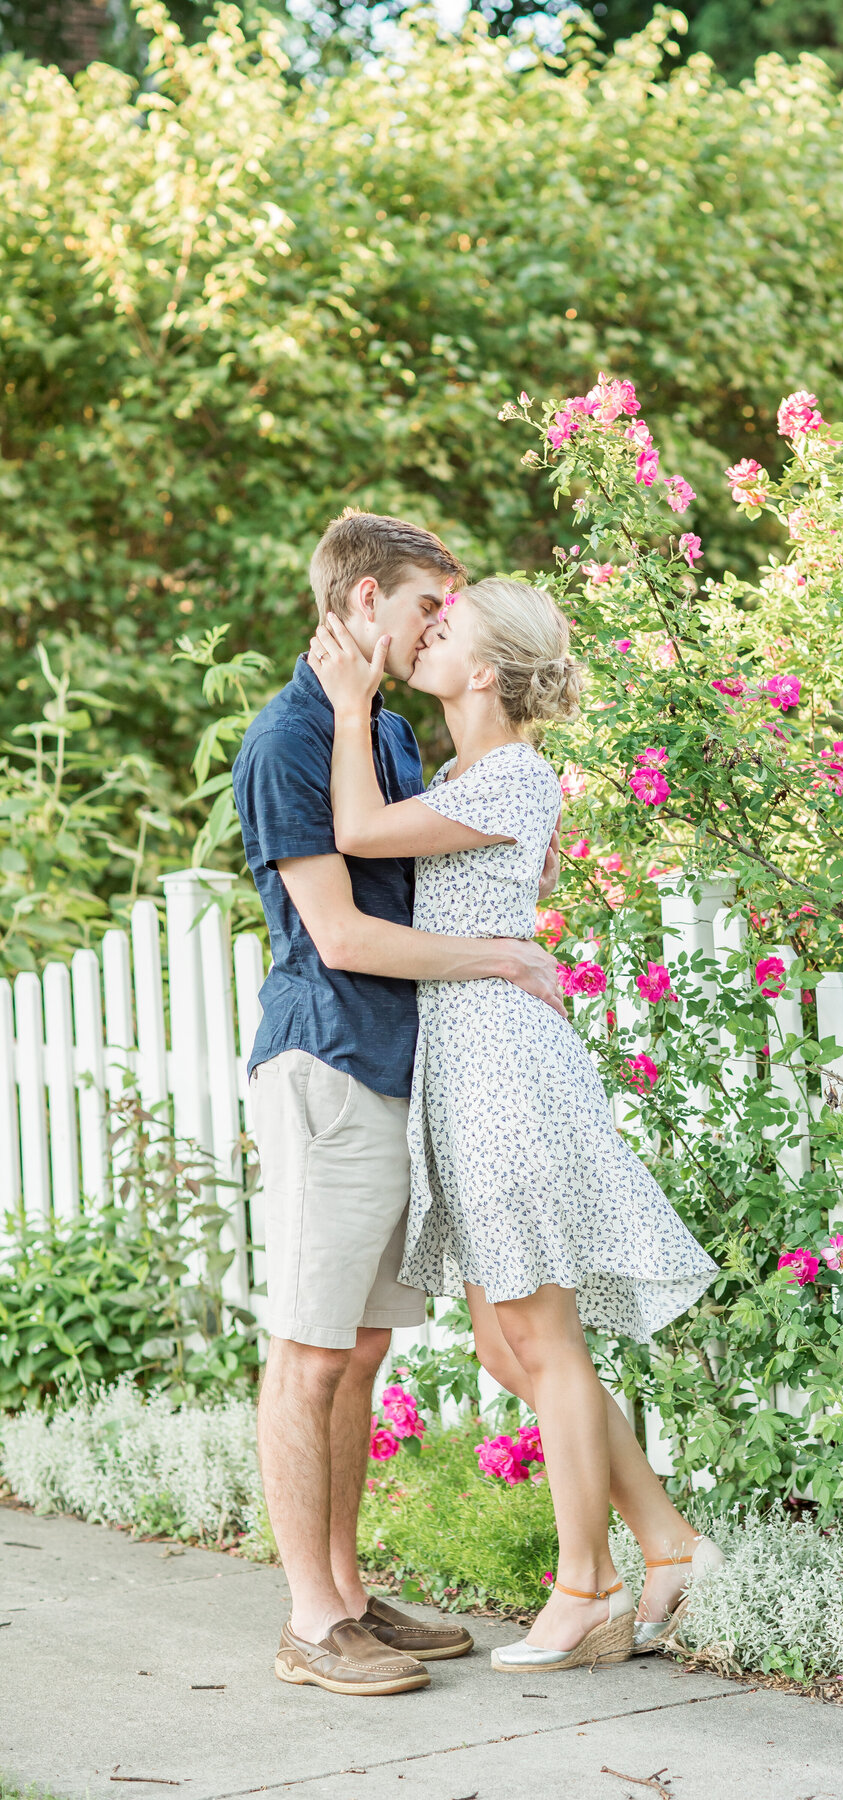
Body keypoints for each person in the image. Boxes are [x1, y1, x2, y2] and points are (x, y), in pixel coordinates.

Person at [307, 576, 723, 1675]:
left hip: (503, 1065)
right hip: (471, 1058)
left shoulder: (512, 775)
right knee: (508, 1341)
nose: (427, 637)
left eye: (447, 632)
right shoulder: (468, 775)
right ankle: (670, 1542)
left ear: (485, 672)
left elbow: (351, 829)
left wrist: (349, 706)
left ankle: (586, 1587)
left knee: (543, 1336)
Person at [232, 512, 566, 1697]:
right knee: (310, 1348)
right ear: (365, 602)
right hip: (326, 1063)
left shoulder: (374, 732)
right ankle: (310, 1620)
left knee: (361, 1347)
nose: (442, 622)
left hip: (390, 1070)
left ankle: (349, 1593)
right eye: (429, 603)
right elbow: (340, 931)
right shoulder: (287, 741)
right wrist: (507, 959)